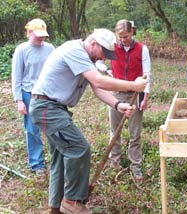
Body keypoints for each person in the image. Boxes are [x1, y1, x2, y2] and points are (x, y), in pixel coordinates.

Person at [29, 28, 147, 214]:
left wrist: (117, 105)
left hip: (54, 109)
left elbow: (96, 88)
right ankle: (72, 201)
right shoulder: (74, 50)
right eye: (104, 53)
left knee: (60, 157)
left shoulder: (87, 58)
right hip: (46, 108)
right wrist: (133, 85)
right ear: (93, 44)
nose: (105, 59)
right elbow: (99, 81)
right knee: (79, 148)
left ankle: (56, 208)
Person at [108, 19, 151, 183]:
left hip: (135, 94)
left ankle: (135, 166)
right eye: (120, 36)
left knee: (135, 133)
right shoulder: (112, 46)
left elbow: (147, 73)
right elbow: (97, 61)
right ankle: (115, 162)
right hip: (116, 94)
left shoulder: (142, 49)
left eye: (126, 36)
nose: (123, 39)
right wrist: (106, 70)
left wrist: (145, 95)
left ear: (132, 32)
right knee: (115, 130)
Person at [11, 18, 55, 174]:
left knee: (52, 126)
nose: (41, 39)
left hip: (47, 93)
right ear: (29, 32)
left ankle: (56, 160)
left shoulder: (50, 48)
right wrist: (19, 100)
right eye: (38, 36)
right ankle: (37, 164)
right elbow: (16, 76)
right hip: (29, 93)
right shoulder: (22, 50)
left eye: (43, 36)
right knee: (32, 129)